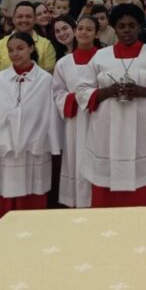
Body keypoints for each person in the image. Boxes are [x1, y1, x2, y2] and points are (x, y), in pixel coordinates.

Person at [78, 4, 146, 207]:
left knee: (140, 193)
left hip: (142, 131)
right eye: (121, 26)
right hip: (107, 133)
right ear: (114, 28)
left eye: (132, 26)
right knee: (105, 190)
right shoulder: (101, 56)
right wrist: (105, 92)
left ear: (140, 27)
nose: (126, 30)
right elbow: (81, 89)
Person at [0, 32, 61, 221]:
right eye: (11, 50)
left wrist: (35, 137)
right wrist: (5, 134)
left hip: (34, 146)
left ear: (31, 49)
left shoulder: (44, 80)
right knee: (7, 195)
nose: (15, 54)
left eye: (20, 48)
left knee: (33, 195)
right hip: (7, 147)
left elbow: (49, 114)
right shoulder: (0, 80)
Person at [51, 15, 98, 209]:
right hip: (75, 121)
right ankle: (77, 203)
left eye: (89, 29)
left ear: (96, 33)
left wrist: (93, 97)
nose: (84, 32)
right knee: (76, 161)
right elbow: (57, 93)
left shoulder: (104, 58)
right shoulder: (64, 63)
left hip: (97, 119)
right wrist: (76, 98)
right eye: (81, 29)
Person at [0, 1, 57, 84]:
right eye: (20, 16)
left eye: (28, 16)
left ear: (35, 20)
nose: (24, 20)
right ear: (13, 19)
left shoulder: (46, 45)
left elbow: (49, 81)